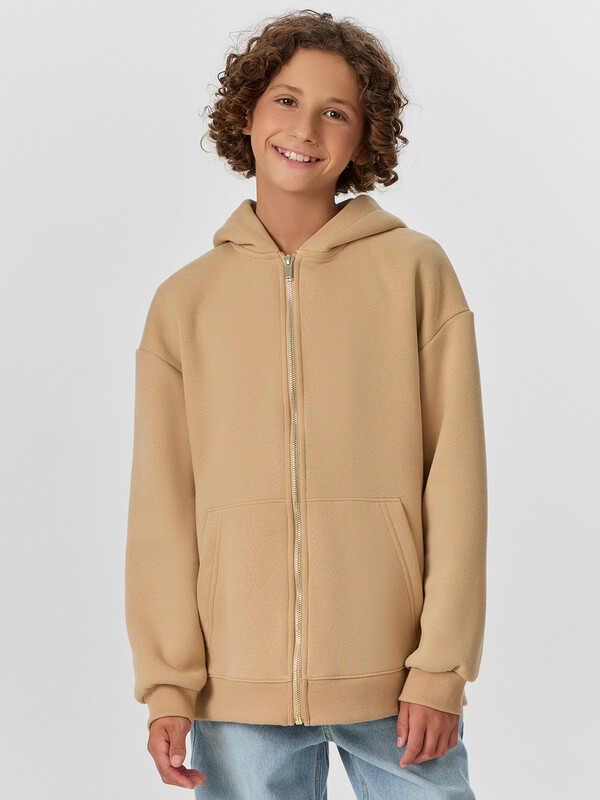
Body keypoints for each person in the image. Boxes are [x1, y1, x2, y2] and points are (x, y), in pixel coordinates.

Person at [125, 9, 488, 799]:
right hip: (236, 691)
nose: (305, 128)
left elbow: (456, 476)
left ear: (364, 138)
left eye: (336, 112)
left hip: (397, 687)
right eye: (286, 100)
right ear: (247, 114)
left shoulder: (416, 273)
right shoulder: (185, 303)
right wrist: (168, 684)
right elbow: (162, 508)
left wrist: (440, 668)